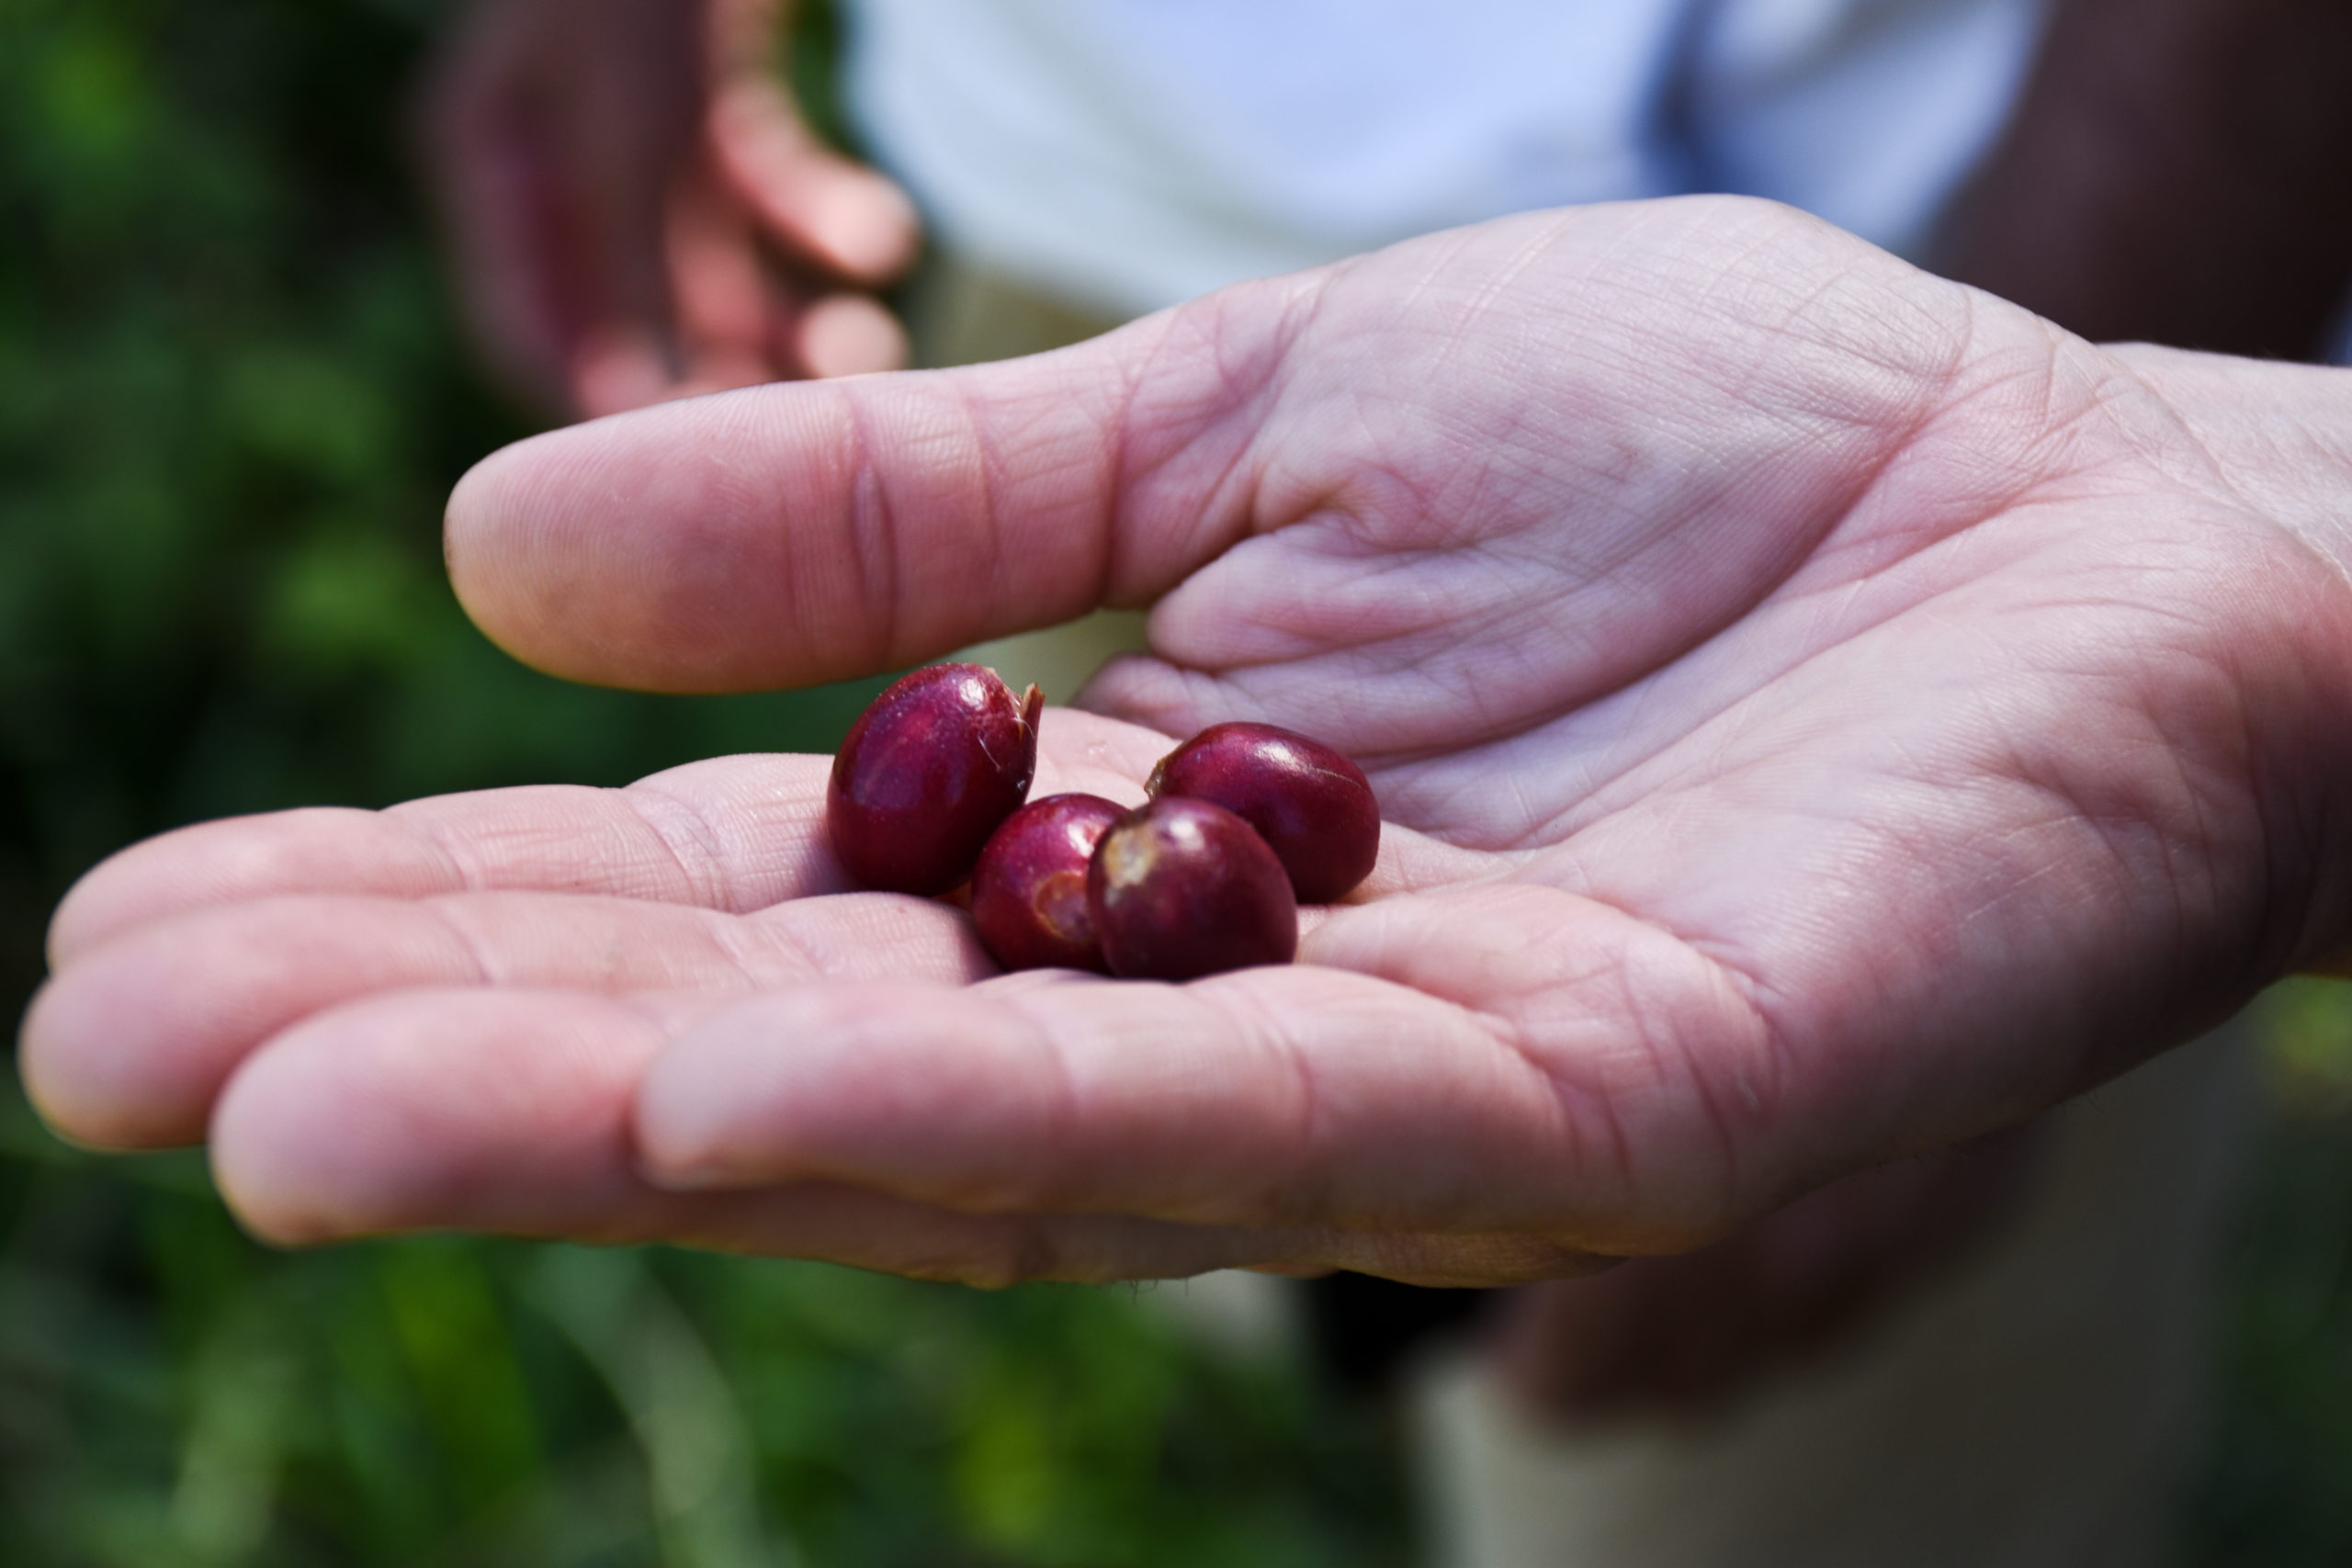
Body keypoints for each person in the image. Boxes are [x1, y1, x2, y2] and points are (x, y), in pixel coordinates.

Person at [22, 193, 2352, 1559]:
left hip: (1964, 263)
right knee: (1288, 1218)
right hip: (1079, 187)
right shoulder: (1133, 765)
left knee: (1734, 1459)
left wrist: (2161, 492)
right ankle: (1356, 1373)